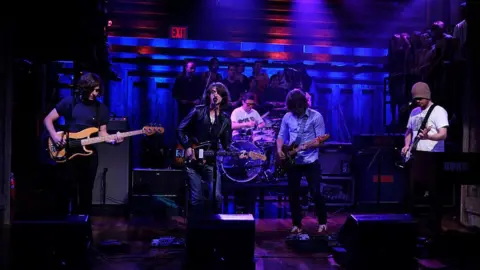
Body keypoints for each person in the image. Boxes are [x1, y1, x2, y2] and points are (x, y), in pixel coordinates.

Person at [43, 72, 123, 216]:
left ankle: (84, 229)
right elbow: (48, 119)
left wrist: (113, 140)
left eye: (97, 90)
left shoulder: (101, 109)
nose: (94, 93)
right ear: (84, 88)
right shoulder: (69, 102)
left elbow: (102, 133)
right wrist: (55, 136)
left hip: (89, 156)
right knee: (67, 191)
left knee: (86, 194)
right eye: (92, 89)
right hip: (67, 154)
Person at [177, 82, 233, 219]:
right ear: (208, 95)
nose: (215, 95)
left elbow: (226, 145)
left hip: (211, 161)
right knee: (197, 199)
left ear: (223, 97)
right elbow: (180, 129)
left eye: (218, 93)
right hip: (193, 160)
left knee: (217, 197)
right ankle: (195, 231)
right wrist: (188, 146)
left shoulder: (225, 119)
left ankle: (215, 230)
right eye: (213, 92)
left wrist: (238, 154)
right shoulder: (198, 111)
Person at [401, 82, 449, 240]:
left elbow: (443, 134)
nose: (417, 101)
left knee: (434, 194)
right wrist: (407, 145)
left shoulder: (439, 111)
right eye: (415, 99)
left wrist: (429, 136)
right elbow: (409, 131)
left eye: (420, 98)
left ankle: (434, 230)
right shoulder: (414, 112)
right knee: (414, 192)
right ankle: (414, 227)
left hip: (432, 155)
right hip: (416, 155)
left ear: (427, 96)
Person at [276, 89, 328, 234]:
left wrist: (306, 146)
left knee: (316, 192)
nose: (296, 111)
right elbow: (281, 135)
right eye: (293, 108)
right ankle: (297, 224)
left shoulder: (316, 117)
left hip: (311, 160)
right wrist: (280, 149)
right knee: (293, 193)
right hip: (293, 161)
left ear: (304, 104)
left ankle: (322, 222)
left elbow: (320, 140)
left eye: (298, 107)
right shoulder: (287, 116)